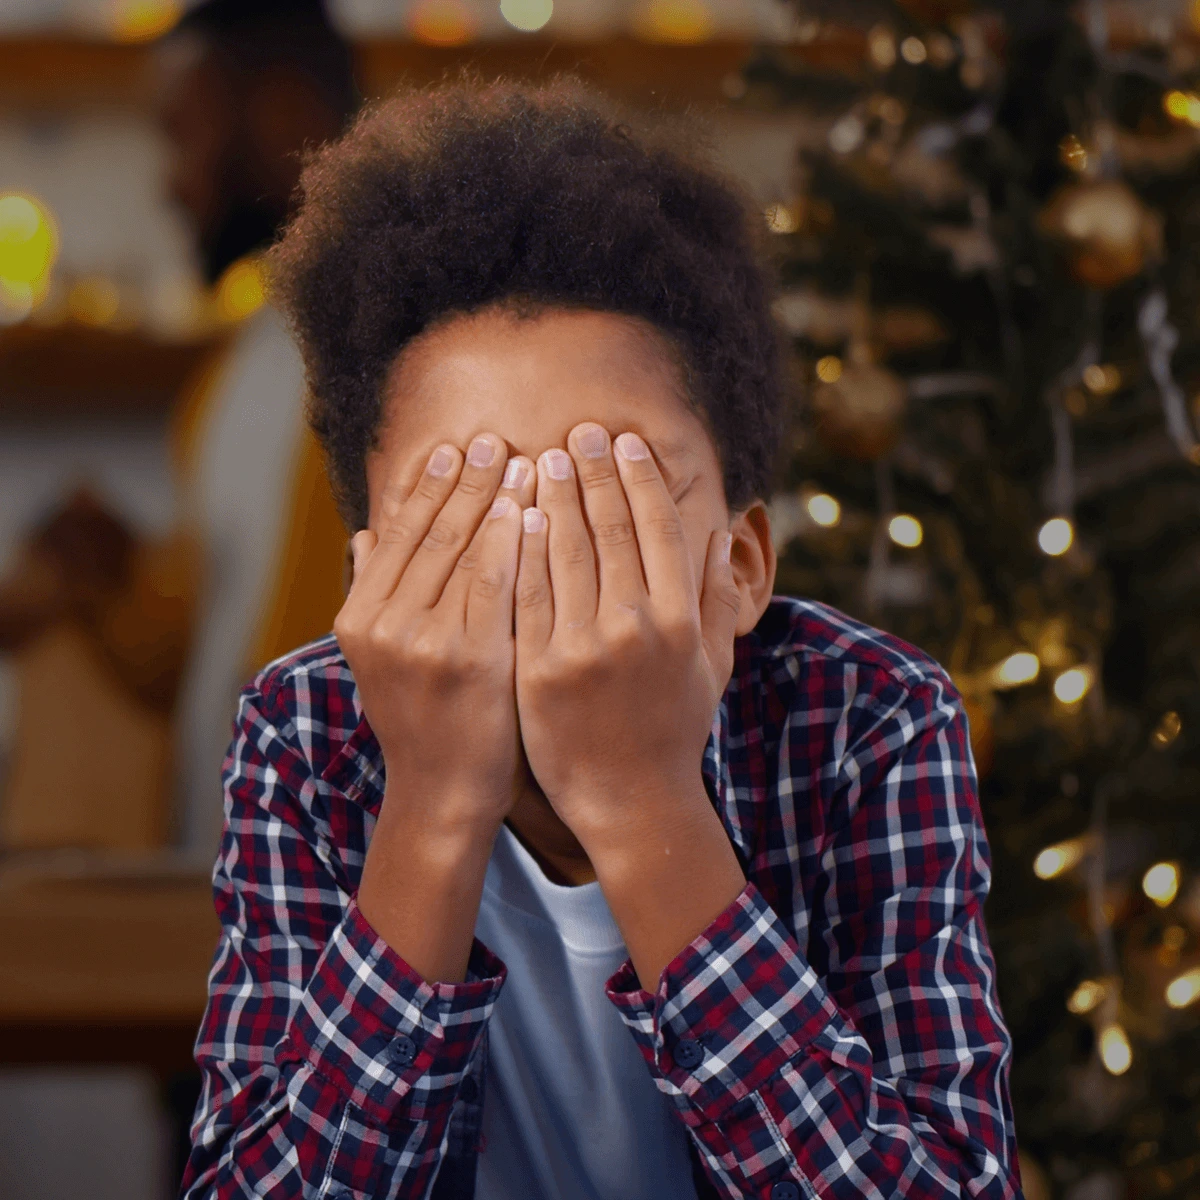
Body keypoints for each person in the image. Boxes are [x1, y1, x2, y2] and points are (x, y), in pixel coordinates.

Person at [181, 78, 1021, 1200]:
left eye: (610, 496)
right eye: (465, 506)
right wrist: (430, 804)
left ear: (741, 568)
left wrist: (641, 798)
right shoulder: (305, 735)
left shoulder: (871, 719)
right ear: (367, 580)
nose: (550, 554)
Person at [0, 0, 357, 859]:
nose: (169, 181)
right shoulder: (233, 378)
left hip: (349, 907)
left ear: (284, 116)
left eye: (183, 133)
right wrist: (109, 573)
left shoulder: (402, 353)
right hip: (235, 897)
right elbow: (202, 651)